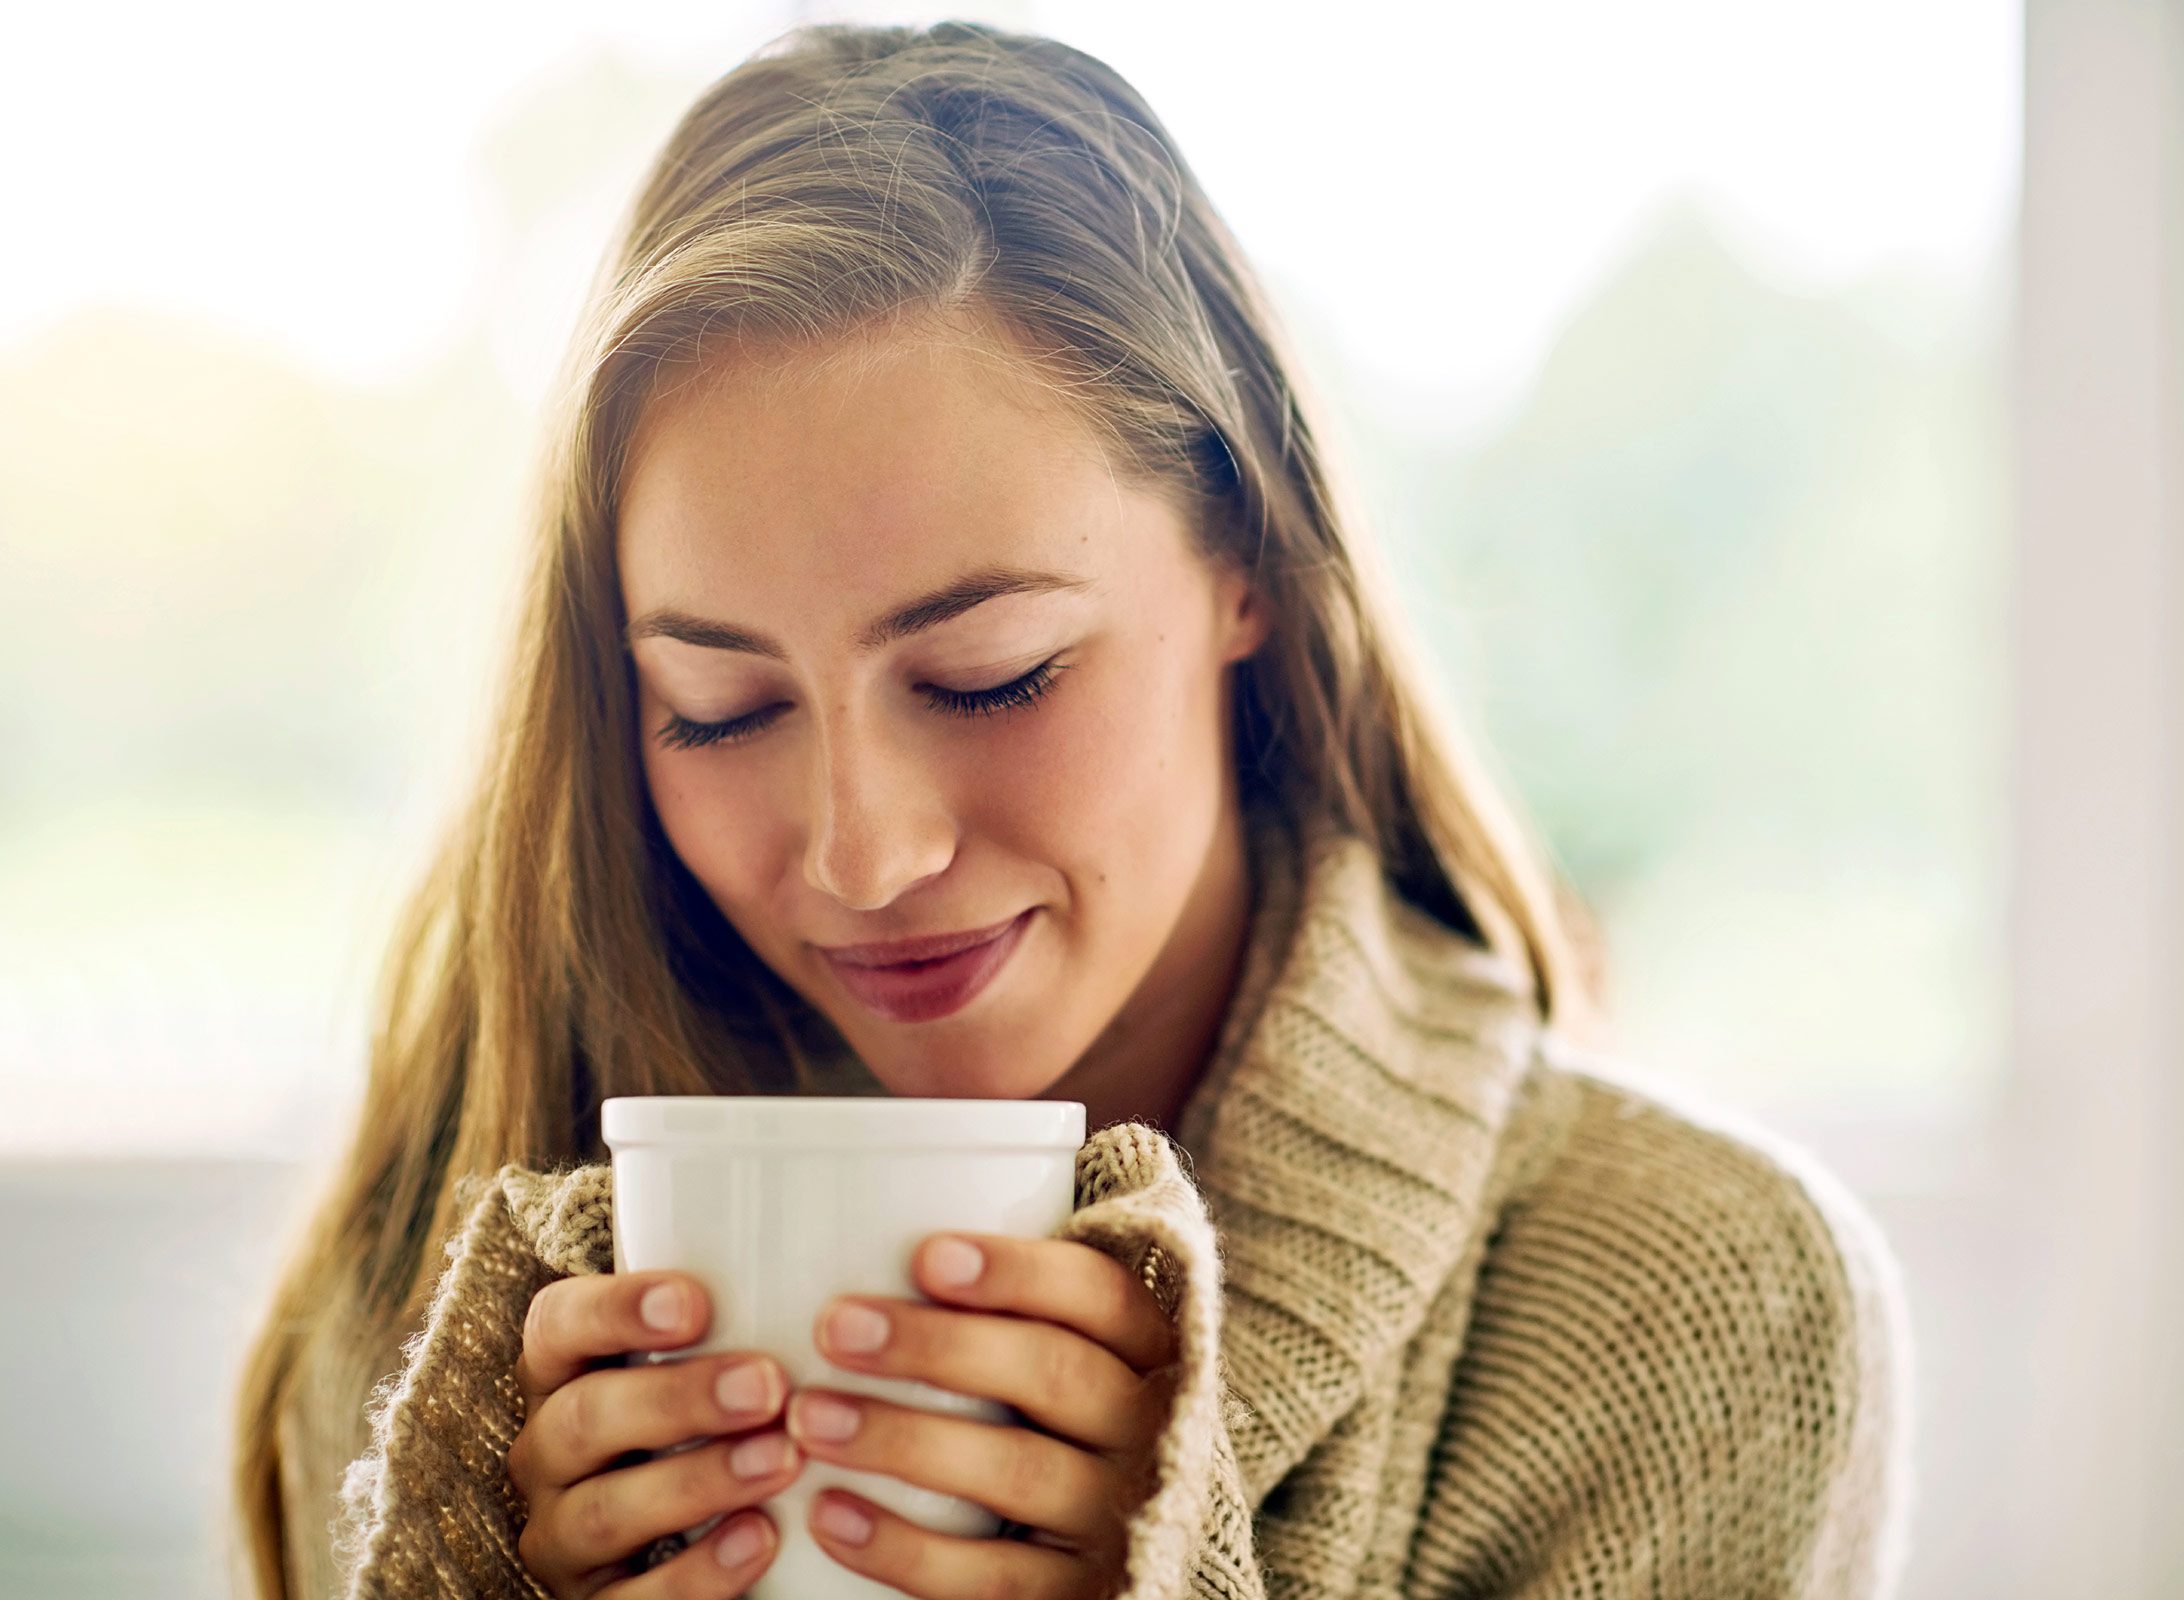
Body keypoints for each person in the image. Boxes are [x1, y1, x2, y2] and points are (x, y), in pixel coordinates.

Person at [233, 19, 1913, 1600]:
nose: (862, 854)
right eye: (719, 706)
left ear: (1248, 558)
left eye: (993, 674)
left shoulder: (1701, 1311)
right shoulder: (453, 1314)